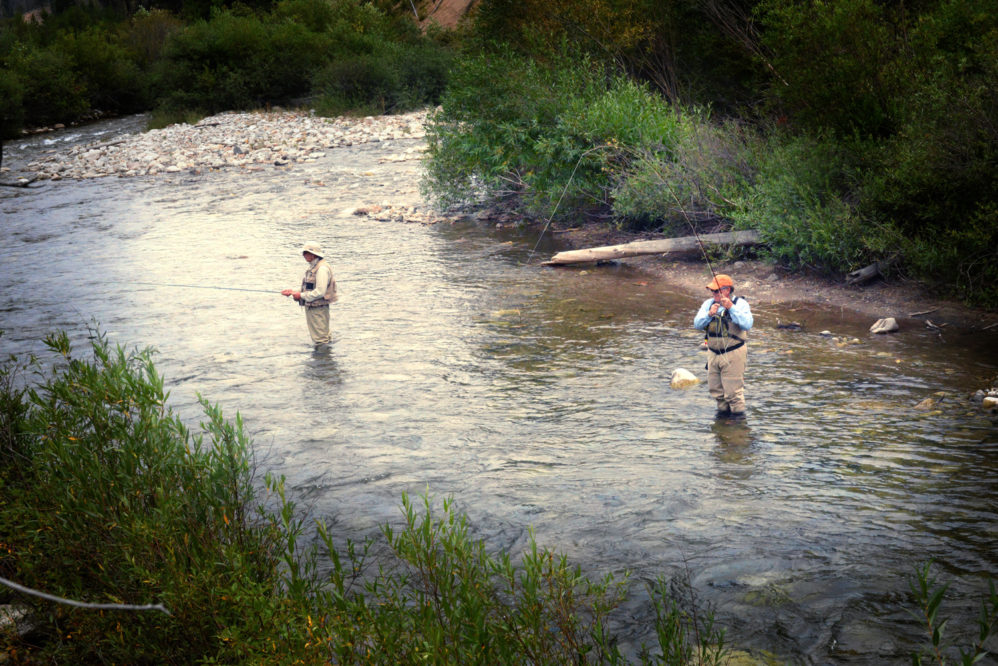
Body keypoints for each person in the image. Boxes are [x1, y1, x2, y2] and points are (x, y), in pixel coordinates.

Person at [693, 274, 753, 420]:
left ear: (727, 290)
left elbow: (747, 324)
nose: (713, 294)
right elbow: (697, 324)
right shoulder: (708, 304)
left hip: (734, 352)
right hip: (713, 354)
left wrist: (731, 308)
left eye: (716, 291)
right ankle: (722, 424)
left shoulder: (741, 304)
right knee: (717, 393)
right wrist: (709, 314)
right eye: (712, 291)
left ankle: (738, 427)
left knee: (733, 394)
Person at [282, 242, 336, 345]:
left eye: (306, 253)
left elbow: (320, 292)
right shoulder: (315, 266)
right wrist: (293, 292)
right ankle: (324, 359)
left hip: (318, 309)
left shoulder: (322, 269)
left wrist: (300, 295)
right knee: (322, 336)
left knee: (321, 339)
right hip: (315, 308)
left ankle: (322, 359)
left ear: (313, 254)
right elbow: (310, 287)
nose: (304, 255)